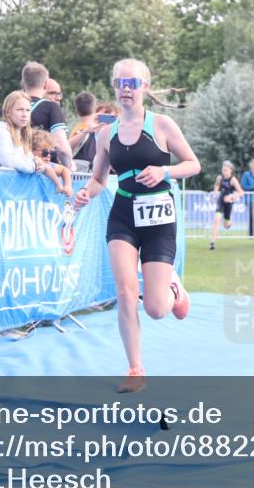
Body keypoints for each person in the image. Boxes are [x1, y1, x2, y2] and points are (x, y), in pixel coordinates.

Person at [73, 58, 200, 393]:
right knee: (126, 292)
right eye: (120, 83)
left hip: (159, 217)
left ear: (144, 86)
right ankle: (135, 369)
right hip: (123, 214)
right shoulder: (105, 134)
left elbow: (193, 164)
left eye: (132, 83)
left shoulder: (162, 125)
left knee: (156, 309)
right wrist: (85, 193)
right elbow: (99, 181)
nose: (125, 90)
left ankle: (172, 287)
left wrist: (164, 172)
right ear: (114, 87)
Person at [0, 62, 73, 165]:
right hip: (41, 175)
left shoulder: (7, 110)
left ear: (23, 83)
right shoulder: (52, 107)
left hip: (11, 176)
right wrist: (69, 166)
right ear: (45, 84)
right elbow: (63, 149)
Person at [0, 91, 46, 174]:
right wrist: (33, 166)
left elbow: (29, 159)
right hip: (0, 186)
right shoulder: (1, 132)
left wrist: (39, 164)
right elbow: (8, 161)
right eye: (20, 110)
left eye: (28, 110)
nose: (25, 114)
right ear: (7, 112)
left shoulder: (20, 133)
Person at [209, 161, 244, 250]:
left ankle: (228, 223)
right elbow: (216, 186)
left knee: (226, 225)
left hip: (228, 203)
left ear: (230, 170)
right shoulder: (219, 178)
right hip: (221, 201)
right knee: (216, 220)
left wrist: (231, 197)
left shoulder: (233, 180)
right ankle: (212, 242)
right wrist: (215, 193)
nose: (224, 172)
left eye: (226, 170)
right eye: (223, 170)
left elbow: (241, 192)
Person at [68, 91, 104, 170]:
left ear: (76, 110)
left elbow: (68, 148)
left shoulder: (77, 130)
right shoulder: (101, 128)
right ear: (95, 107)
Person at [32, 129, 73, 196]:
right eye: (45, 152)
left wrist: (68, 185)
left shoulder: (49, 165)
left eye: (51, 153)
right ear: (32, 150)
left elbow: (64, 170)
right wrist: (59, 184)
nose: (49, 155)